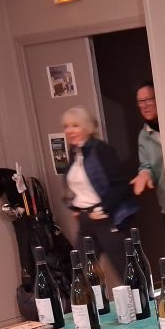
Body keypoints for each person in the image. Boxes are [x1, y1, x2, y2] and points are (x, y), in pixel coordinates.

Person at [62, 106, 138, 280]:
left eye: (75, 125)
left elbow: (121, 186)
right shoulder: (75, 153)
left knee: (127, 273)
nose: (69, 131)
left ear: (87, 127)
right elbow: (75, 185)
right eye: (66, 126)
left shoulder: (101, 150)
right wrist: (74, 207)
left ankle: (141, 298)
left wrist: (103, 209)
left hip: (108, 220)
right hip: (86, 222)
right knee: (81, 274)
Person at [129, 80, 165, 234]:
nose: (144, 105)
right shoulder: (144, 136)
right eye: (140, 101)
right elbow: (146, 166)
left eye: (148, 100)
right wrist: (145, 174)